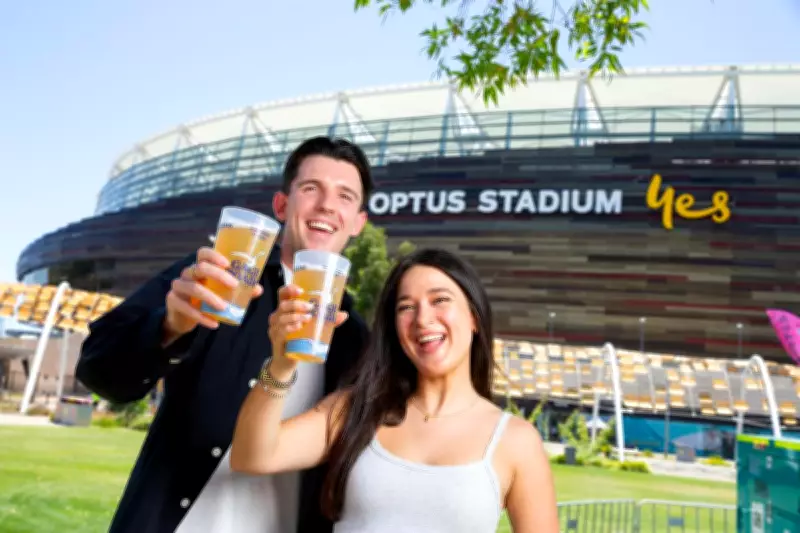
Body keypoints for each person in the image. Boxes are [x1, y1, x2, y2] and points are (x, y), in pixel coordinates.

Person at [75, 136, 374, 533]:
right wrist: (169, 327)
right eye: (311, 189)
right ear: (282, 205)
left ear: (358, 222)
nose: (326, 206)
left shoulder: (356, 340)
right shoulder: (214, 278)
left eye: (345, 196)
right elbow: (98, 369)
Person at [231, 248, 560, 533]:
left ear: (473, 317)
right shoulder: (356, 410)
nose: (422, 319)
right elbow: (253, 456)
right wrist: (281, 365)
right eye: (406, 307)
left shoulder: (516, 441)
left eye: (439, 300)